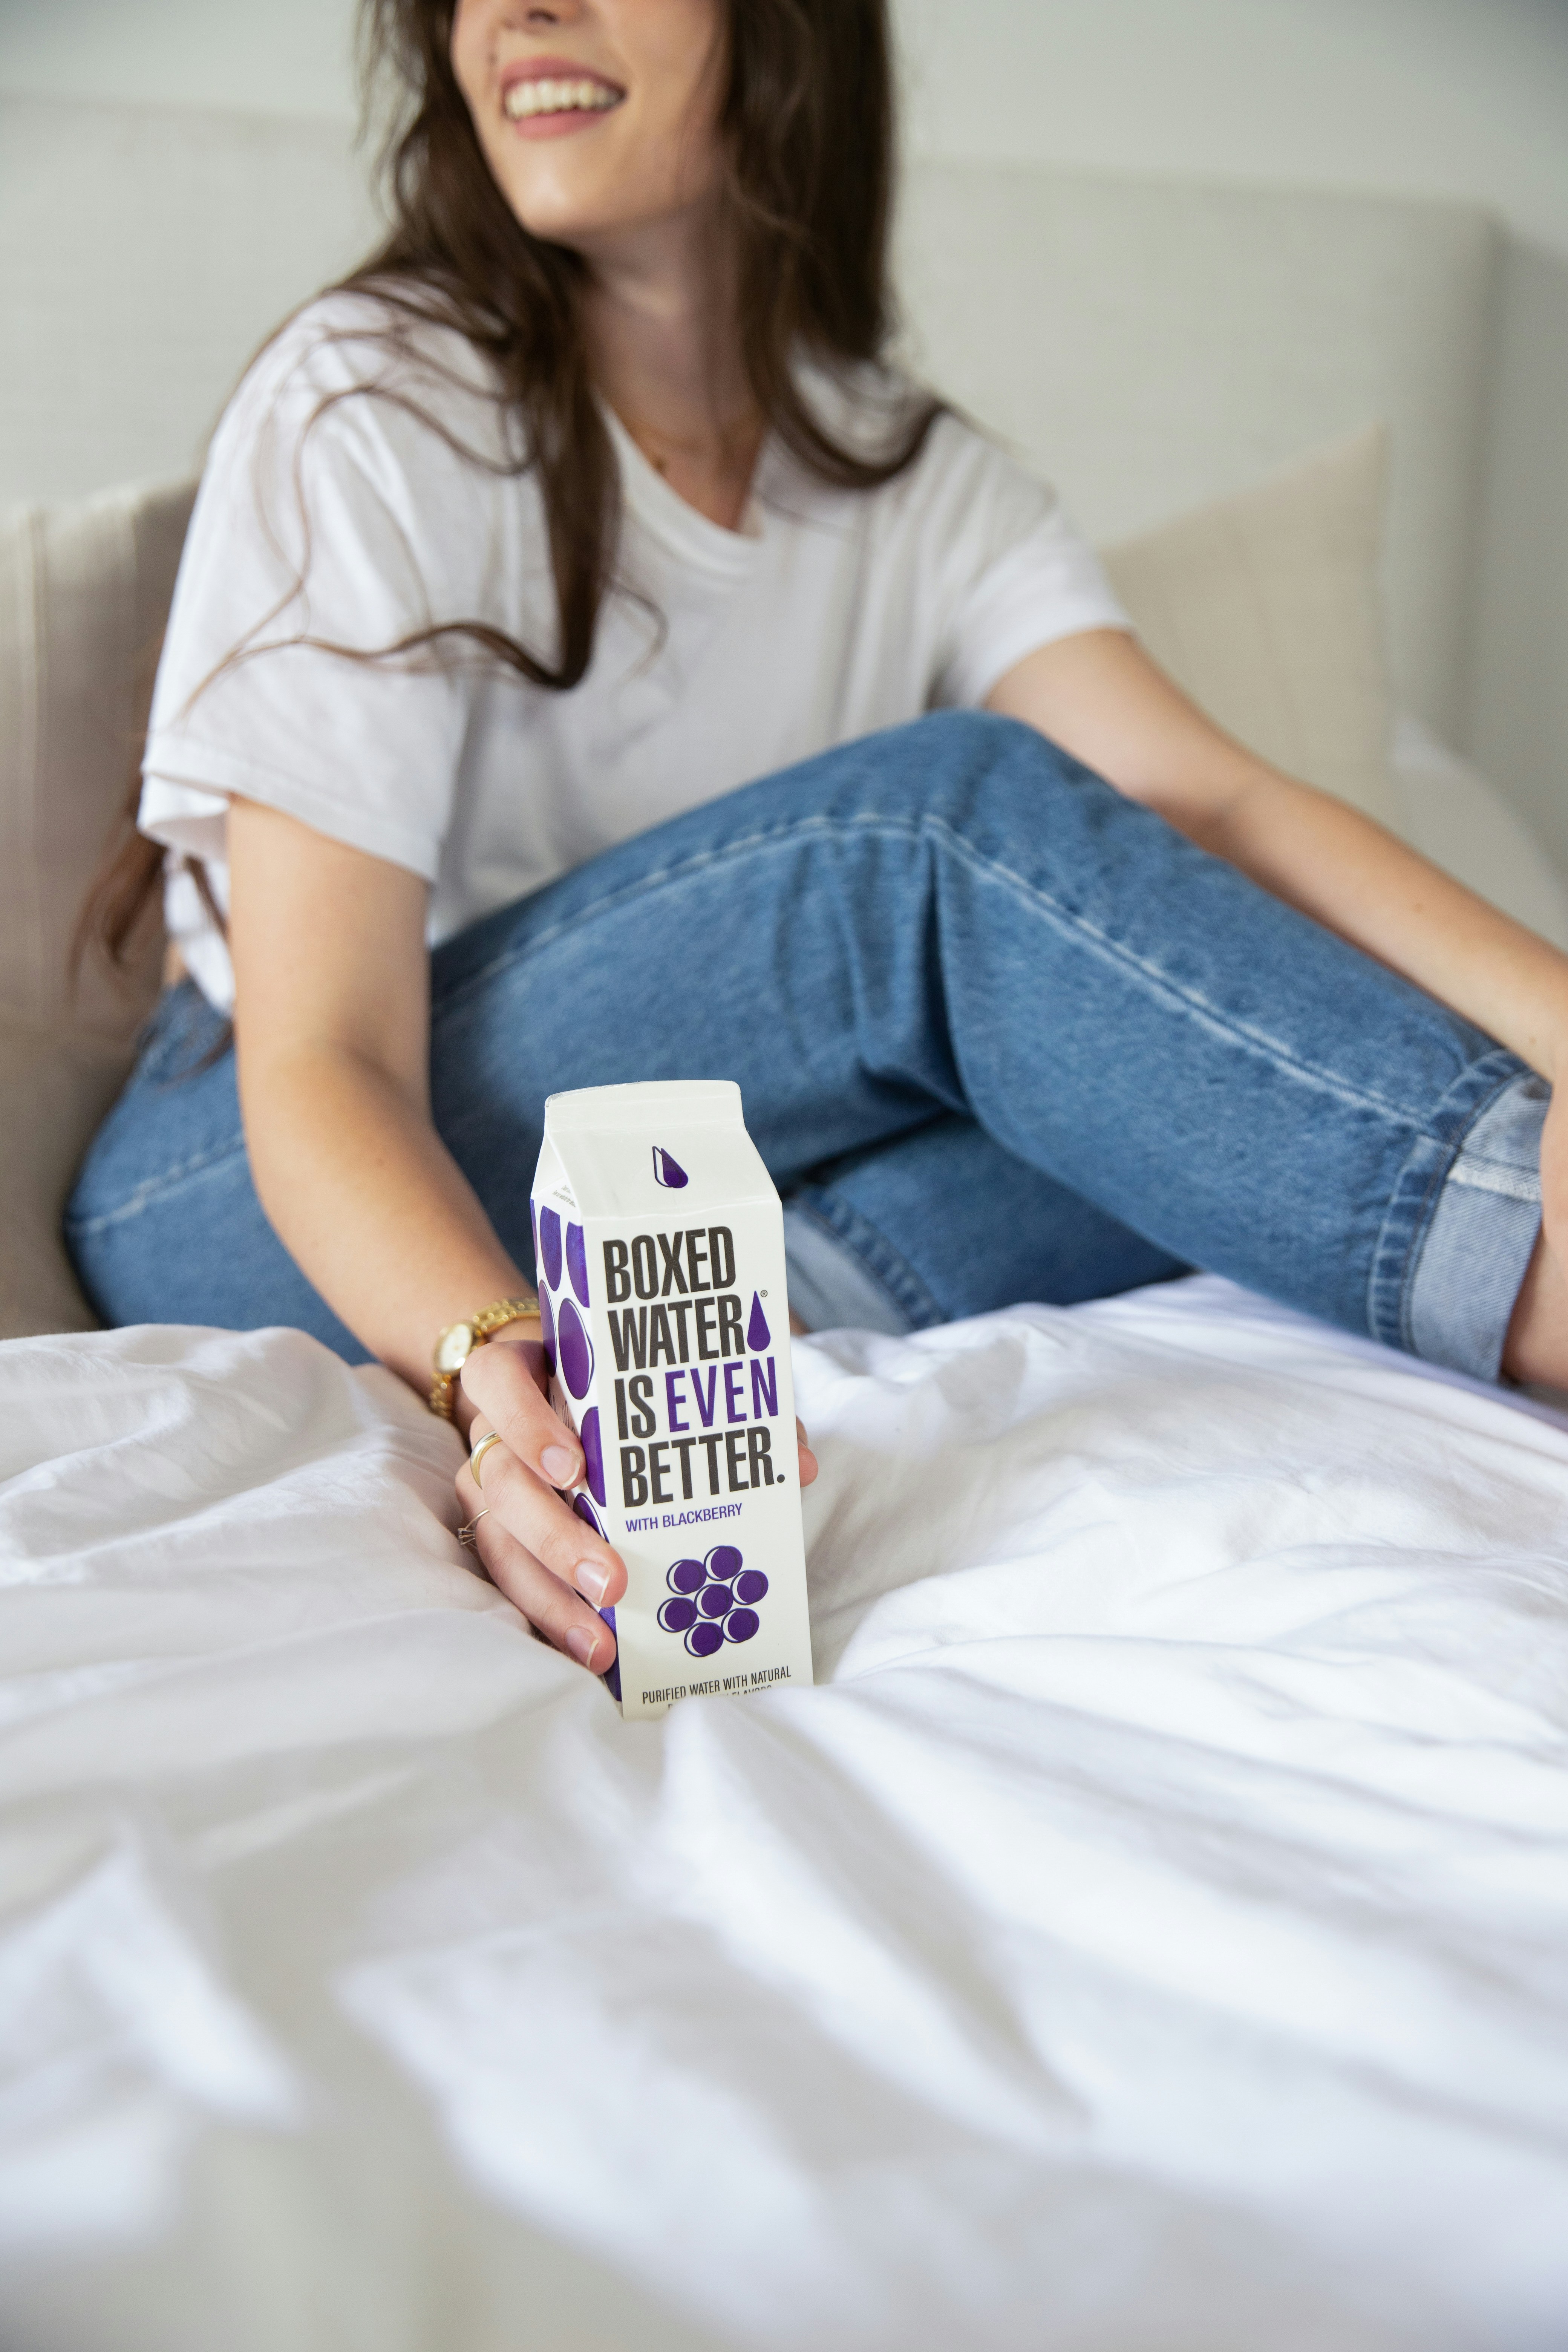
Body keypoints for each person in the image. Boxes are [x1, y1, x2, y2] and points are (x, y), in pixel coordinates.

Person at [69, 0, 1568, 1685]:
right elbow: (324, 1054)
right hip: (274, 1167)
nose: (518, 9)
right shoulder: (379, 402)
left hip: (690, 1191)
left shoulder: (917, 478)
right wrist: (492, 1374)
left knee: (1151, 1081)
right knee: (935, 829)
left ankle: (749, 1309)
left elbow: (1207, 807)